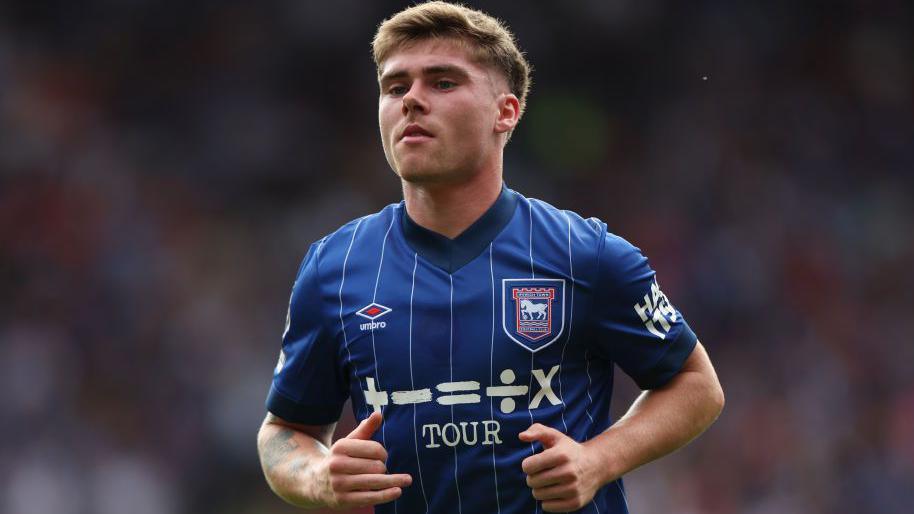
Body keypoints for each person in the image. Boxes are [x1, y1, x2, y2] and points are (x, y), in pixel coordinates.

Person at [256, 2, 724, 513]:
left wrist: (598, 460)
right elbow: (285, 431)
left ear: (506, 111)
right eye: (395, 87)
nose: (411, 100)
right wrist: (319, 475)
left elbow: (696, 385)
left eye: (443, 82)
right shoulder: (334, 269)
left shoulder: (584, 255)